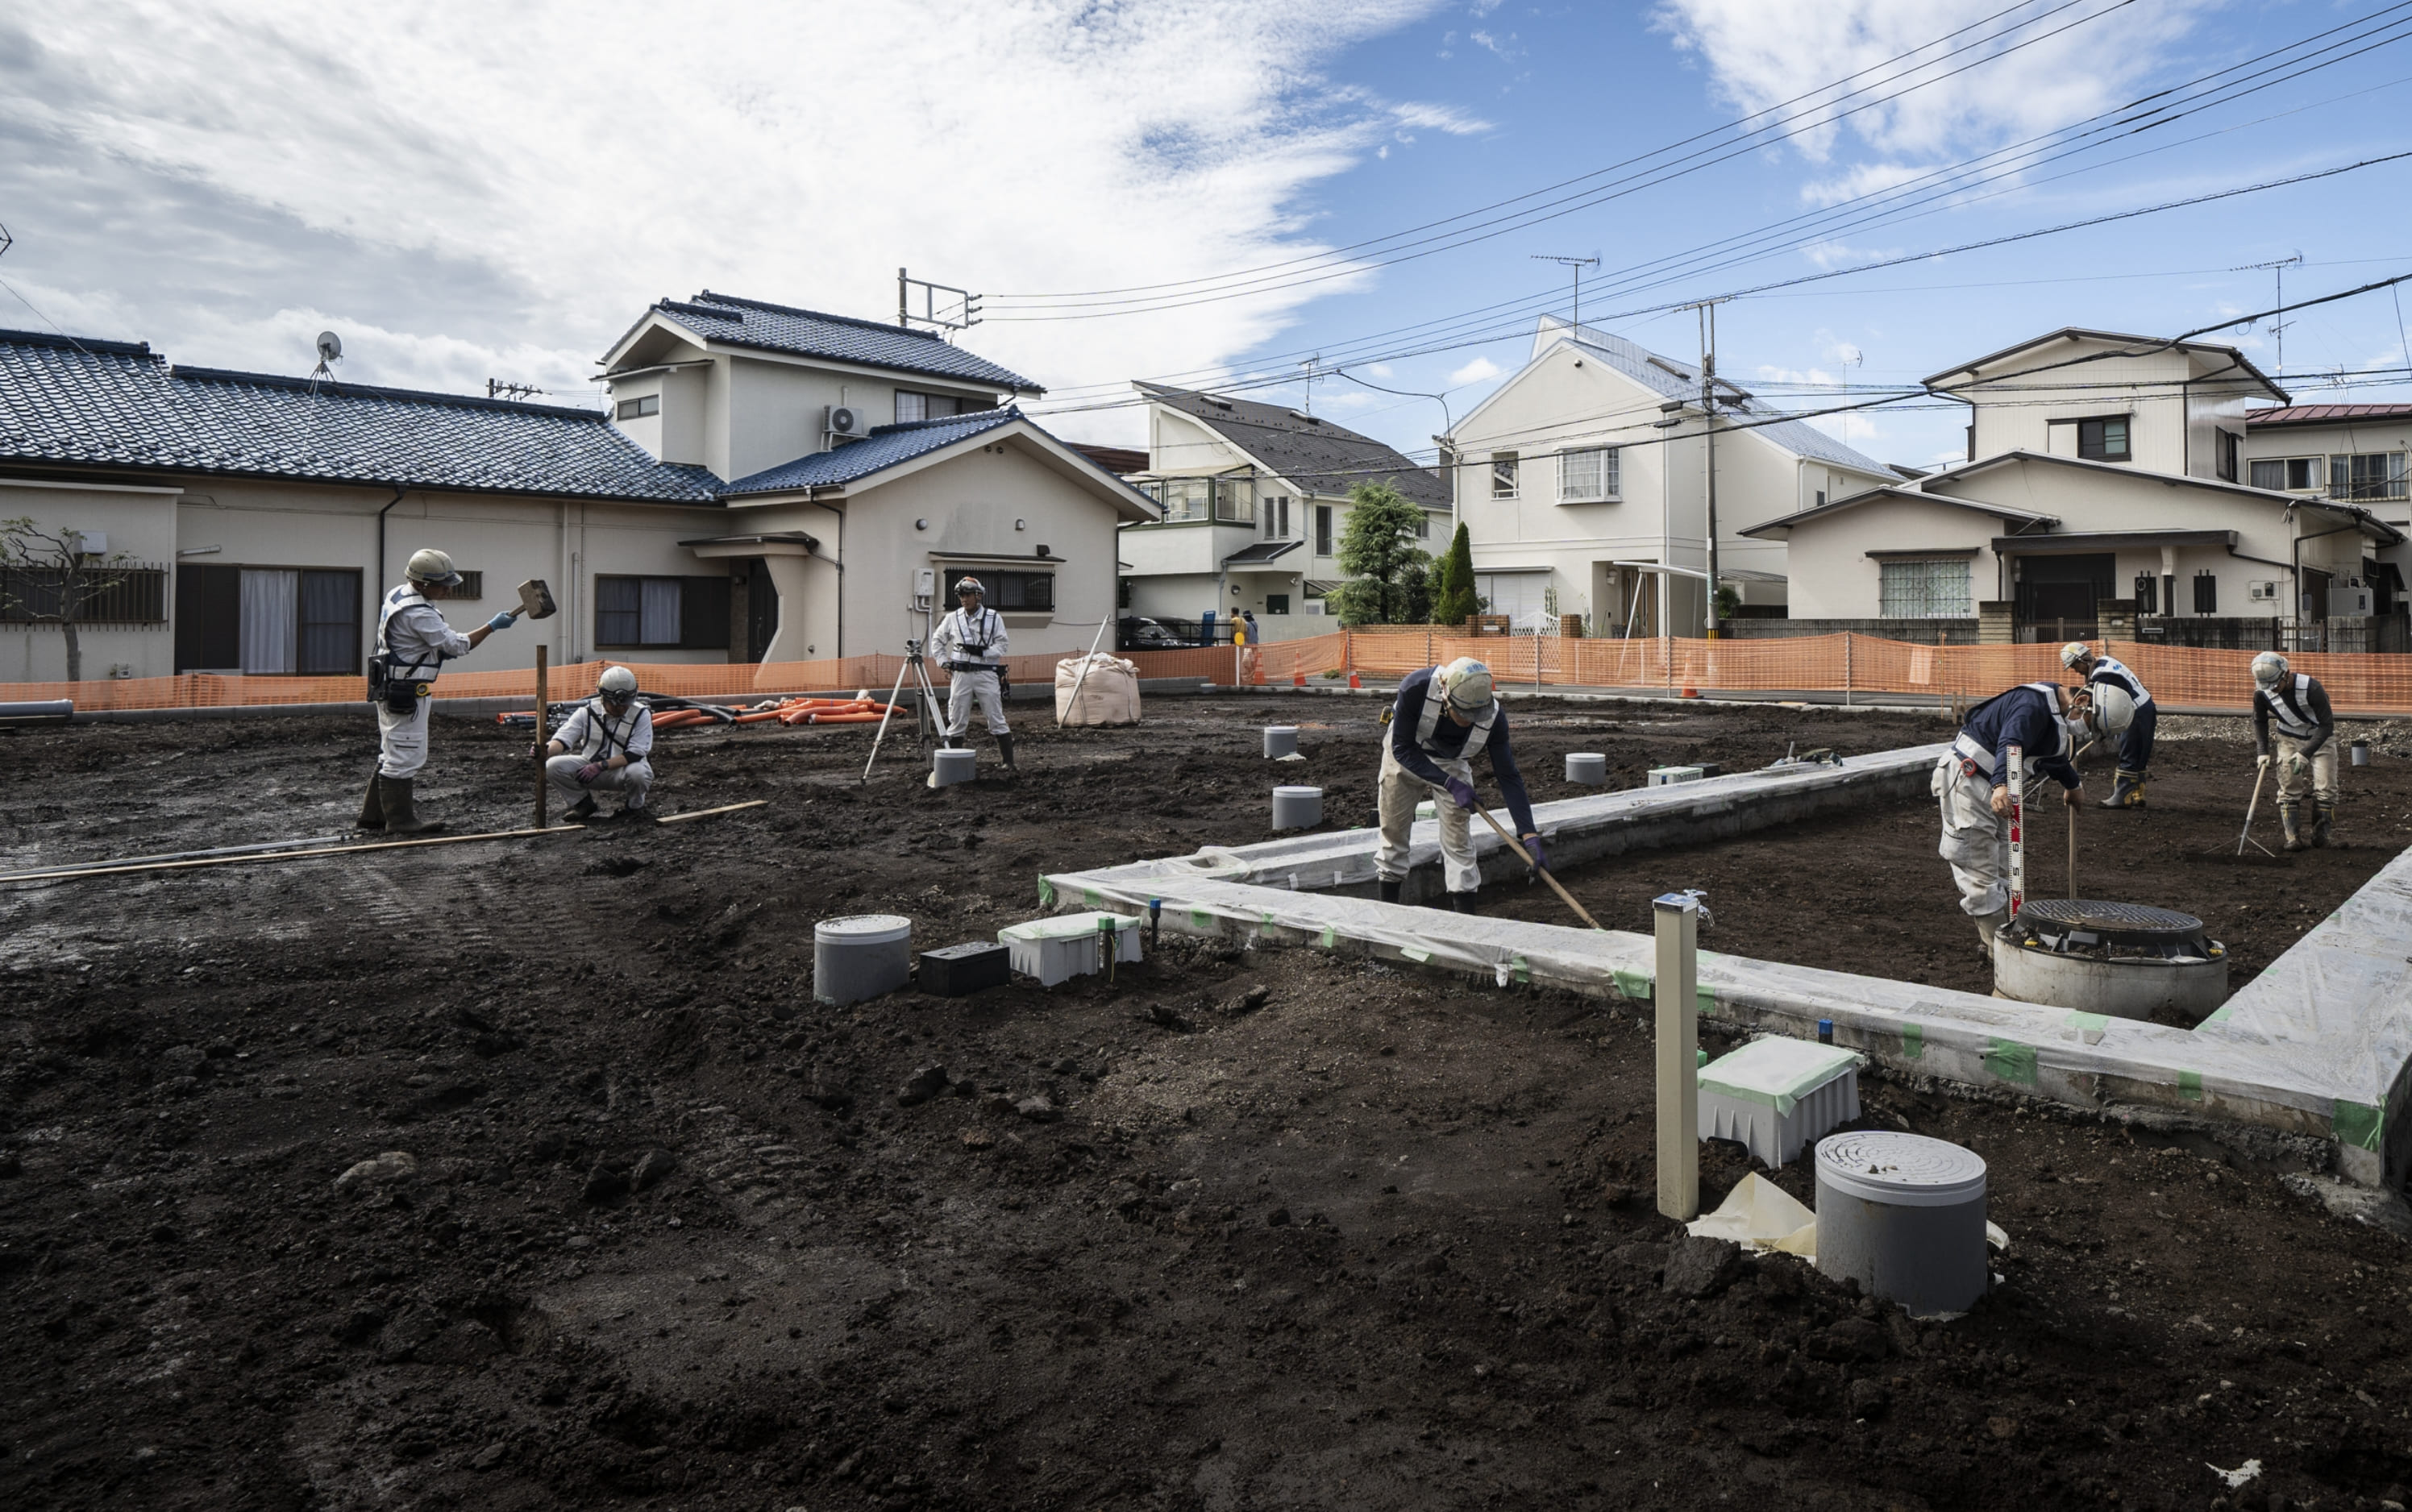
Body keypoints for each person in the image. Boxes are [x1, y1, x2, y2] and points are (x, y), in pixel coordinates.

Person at [1936, 676, 2135, 956]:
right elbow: (2011, 742)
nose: (2088, 732)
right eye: (2092, 726)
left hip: (1994, 786)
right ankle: (1998, 954)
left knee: (2002, 866)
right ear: (2082, 701)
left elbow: (2050, 754)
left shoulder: (2051, 711)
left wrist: (2072, 784)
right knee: (1978, 868)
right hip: (1970, 782)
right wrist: (2001, 784)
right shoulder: (2032, 706)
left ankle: (2001, 934)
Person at [359, 547, 519, 835]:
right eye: (442, 585)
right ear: (422, 583)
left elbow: (415, 643)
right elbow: (458, 645)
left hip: (392, 684)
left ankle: (374, 816)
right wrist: (492, 627)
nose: (448, 590)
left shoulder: (399, 595)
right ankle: (400, 821)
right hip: (405, 690)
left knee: (392, 751)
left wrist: (435, 652)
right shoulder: (419, 612)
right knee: (405, 753)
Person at [1374, 657, 1545, 912]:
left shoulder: (1494, 719)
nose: (1469, 720)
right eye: (1463, 713)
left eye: (1475, 715)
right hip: (1406, 755)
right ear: (1445, 694)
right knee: (1394, 834)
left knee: (1459, 843)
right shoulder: (1415, 688)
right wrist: (1450, 784)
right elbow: (1402, 749)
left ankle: (1466, 920)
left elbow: (1508, 776)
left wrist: (1529, 835)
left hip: (1451, 762)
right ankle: (1389, 911)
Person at [539, 665, 654, 822]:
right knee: (553, 766)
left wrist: (600, 766)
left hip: (623, 769)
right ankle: (583, 804)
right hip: (590, 766)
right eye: (616, 704)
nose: (621, 708)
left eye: (625, 703)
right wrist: (545, 751)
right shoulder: (586, 712)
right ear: (603, 697)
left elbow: (636, 753)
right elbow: (562, 740)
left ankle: (634, 808)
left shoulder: (641, 714)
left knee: (639, 773)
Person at [2252, 651, 2336, 850]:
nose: (2272, 689)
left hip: (2320, 738)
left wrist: (2305, 753)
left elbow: (2327, 725)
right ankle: (2292, 838)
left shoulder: (2311, 688)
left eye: (2275, 685)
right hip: (2288, 738)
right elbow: (2259, 720)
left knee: (2326, 787)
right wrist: (2262, 751)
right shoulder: (2262, 692)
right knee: (2289, 786)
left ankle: (2322, 836)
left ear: (2286, 674)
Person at [2061, 642, 2156, 808]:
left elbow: (2108, 706)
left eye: (2075, 666)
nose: (2076, 671)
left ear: (2082, 660)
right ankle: (2137, 793)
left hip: (2135, 711)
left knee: (2129, 753)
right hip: (2146, 706)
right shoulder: (2106, 661)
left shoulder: (2103, 676)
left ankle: (2122, 797)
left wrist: (2100, 729)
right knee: (2140, 752)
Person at [932, 575, 1013, 770]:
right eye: (961, 595)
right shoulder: (952, 618)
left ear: (978, 596)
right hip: (961, 675)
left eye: (967, 595)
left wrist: (983, 652)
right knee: (957, 717)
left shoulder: (993, 617)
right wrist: (943, 661)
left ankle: (1008, 763)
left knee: (995, 715)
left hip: (986, 673)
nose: (964, 599)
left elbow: (1002, 644)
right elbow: (937, 640)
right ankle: (953, 765)